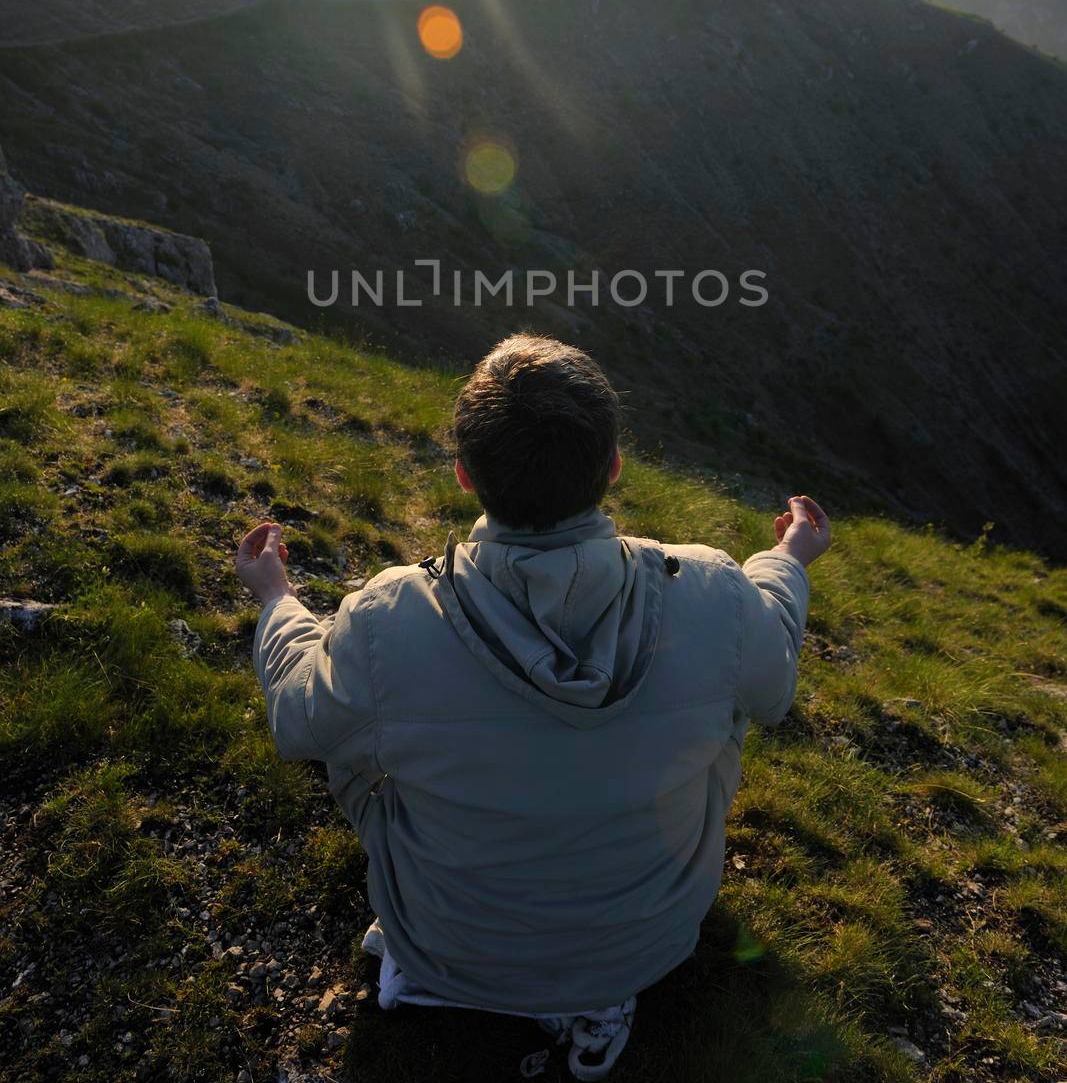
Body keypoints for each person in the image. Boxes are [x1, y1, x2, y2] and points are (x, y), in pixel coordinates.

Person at [237, 334, 830, 1079]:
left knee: (356, 734)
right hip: (651, 945)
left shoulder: (392, 615)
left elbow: (297, 723)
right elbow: (772, 692)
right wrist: (784, 563)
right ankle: (599, 990)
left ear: (461, 474)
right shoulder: (711, 590)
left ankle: (434, 962)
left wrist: (277, 600)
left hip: (443, 946)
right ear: (612, 467)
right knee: (728, 712)